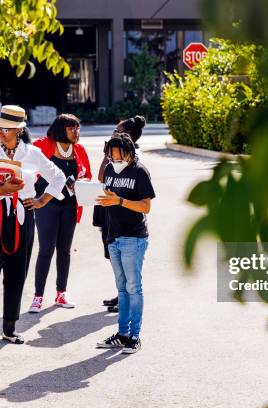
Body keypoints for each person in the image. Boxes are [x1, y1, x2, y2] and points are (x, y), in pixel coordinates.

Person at [0, 105, 66, 352]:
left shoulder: (32, 153)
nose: (0, 132)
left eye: (6, 128)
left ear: (19, 130)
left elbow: (59, 177)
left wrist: (42, 200)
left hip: (22, 215)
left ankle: (9, 328)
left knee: (17, 273)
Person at [95, 132, 155, 354]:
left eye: (119, 157)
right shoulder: (110, 170)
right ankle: (122, 334)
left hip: (134, 237)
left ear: (130, 153)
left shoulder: (140, 172)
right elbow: (106, 196)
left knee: (133, 287)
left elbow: (145, 207)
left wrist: (119, 201)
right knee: (121, 289)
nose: (115, 162)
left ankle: (134, 336)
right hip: (113, 235)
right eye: (112, 157)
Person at [28, 114, 92, 313]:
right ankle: (38, 297)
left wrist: (82, 183)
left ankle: (61, 293)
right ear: (60, 129)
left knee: (64, 250)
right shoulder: (43, 144)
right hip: (45, 204)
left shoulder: (79, 150)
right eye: (72, 128)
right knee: (46, 249)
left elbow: (88, 175)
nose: (76, 132)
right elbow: (27, 165)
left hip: (70, 206)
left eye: (78, 128)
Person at [96, 116, 146, 312]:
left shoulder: (133, 161)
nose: (113, 134)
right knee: (116, 261)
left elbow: (143, 202)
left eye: (117, 132)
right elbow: (102, 176)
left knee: (128, 266)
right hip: (111, 216)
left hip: (128, 223)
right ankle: (121, 295)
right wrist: (107, 153)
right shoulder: (113, 158)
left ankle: (126, 303)